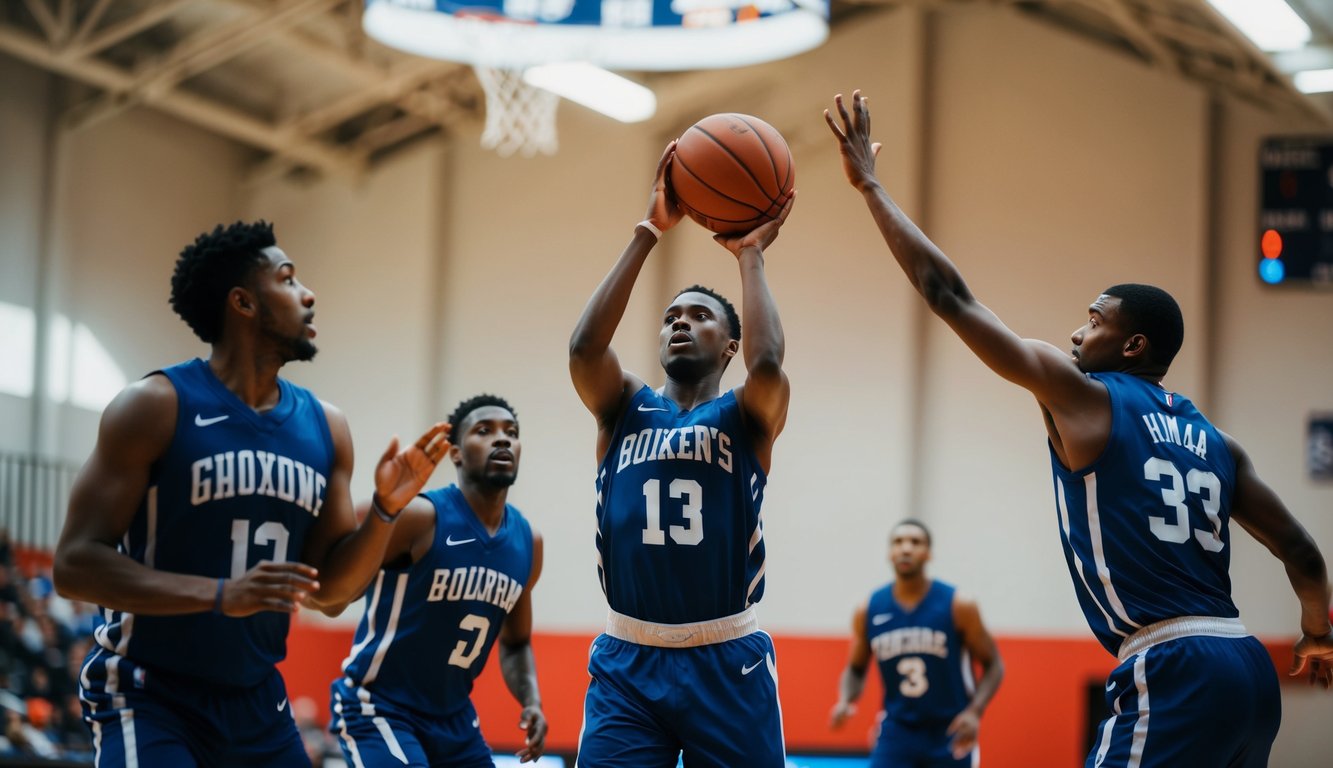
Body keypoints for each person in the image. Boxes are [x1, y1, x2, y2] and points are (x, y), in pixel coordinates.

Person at [826, 90, 1333, 766]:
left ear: (1131, 347)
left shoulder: (1086, 398)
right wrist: (1313, 634)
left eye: (1093, 320)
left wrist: (869, 186)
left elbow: (947, 294)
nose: (1074, 329)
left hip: (1170, 662)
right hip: (1245, 668)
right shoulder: (1216, 441)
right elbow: (1302, 553)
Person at [52, 220, 450, 767]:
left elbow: (329, 595)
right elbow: (74, 565)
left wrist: (383, 512)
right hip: (150, 693)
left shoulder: (325, 427)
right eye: (287, 279)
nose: (307, 293)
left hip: (258, 699)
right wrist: (220, 594)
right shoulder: (154, 405)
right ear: (242, 303)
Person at [568, 142, 794, 767]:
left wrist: (750, 254)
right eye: (671, 316)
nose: (680, 322)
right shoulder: (623, 406)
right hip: (627, 661)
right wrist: (648, 232)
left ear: (728, 347)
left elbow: (770, 361)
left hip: (727, 657)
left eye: (700, 316)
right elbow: (585, 349)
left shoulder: (746, 416)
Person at [327, 394, 546, 766]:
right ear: (456, 453)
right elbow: (333, 601)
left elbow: (517, 641)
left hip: (455, 718)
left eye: (511, 432)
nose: (502, 439)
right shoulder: (419, 517)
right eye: (484, 430)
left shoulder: (528, 541)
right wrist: (380, 510)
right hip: (379, 706)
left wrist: (532, 701)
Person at [830, 519, 1004, 767]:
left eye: (916, 542)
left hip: (951, 728)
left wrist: (975, 712)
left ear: (929, 553)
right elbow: (855, 669)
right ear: (890, 553)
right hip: (897, 731)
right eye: (898, 542)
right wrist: (846, 700)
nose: (906, 548)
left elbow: (994, 664)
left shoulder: (958, 604)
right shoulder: (869, 608)